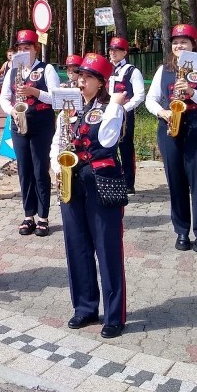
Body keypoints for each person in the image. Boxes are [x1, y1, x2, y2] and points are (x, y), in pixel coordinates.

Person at [50, 53, 128, 339]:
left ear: (101, 83)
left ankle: (114, 315)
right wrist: (54, 167)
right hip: (72, 180)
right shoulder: (68, 107)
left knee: (107, 249)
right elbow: (57, 140)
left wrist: (115, 108)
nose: (80, 81)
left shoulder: (111, 108)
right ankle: (84, 308)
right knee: (77, 246)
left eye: (88, 77)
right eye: (79, 75)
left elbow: (107, 140)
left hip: (100, 181)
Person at [145, 24, 197, 253]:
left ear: (193, 45)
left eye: (184, 42)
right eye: (176, 42)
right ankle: (181, 231)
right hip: (170, 130)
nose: (179, 45)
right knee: (175, 183)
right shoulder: (164, 69)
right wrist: (163, 112)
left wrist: (192, 92)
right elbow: (151, 100)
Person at [0, 29, 60, 237]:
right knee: (24, 171)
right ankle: (28, 214)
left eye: (27, 48)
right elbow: (4, 98)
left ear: (35, 49)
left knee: (40, 170)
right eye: (20, 48)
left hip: (41, 124)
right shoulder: (12, 71)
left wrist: (35, 92)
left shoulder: (47, 69)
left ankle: (43, 216)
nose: (23, 51)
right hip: (19, 124)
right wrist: (12, 111)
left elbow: (55, 98)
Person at [108, 37, 146, 195]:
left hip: (124, 114)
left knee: (126, 148)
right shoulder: (107, 68)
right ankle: (111, 179)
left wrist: (124, 109)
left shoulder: (132, 71)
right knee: (108, 146)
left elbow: (140, 95)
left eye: (117, 50)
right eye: (111, 50)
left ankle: (129, 182)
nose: (113, 53)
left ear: (124, 52)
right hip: (108, 113)